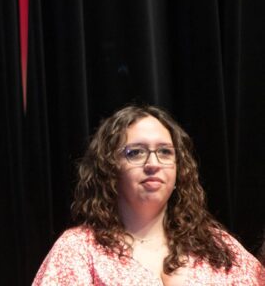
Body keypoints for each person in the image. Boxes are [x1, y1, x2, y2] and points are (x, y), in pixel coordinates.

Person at [33, 104, 265, 285]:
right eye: (135, 153)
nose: (153, 163)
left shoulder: (217, 245)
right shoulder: (79, 249)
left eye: (165, 152)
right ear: (110, 168)